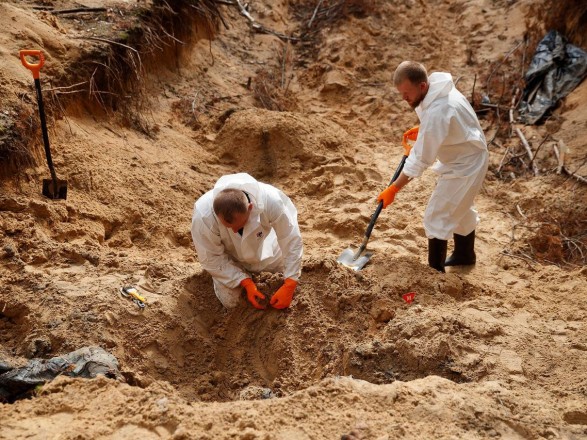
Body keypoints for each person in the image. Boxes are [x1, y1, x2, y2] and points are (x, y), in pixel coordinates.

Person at [377, 61, 489, 273]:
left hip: (466, 164)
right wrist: (424, 129)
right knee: (460, 208)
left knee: (436, 215)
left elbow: (421, 160)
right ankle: (465, 255)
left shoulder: (438, 109)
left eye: (407, 93)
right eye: (401, 94)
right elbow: (449, 122)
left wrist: (394, 188)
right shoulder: (437, 89)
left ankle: (434, 273)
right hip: (463, 155)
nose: (404, 99)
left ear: (421, 86)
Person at [191, 173, 303, 309]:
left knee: (294, 289)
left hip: (268, 252)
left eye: (238, 225)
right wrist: (244, 282)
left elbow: (291, 239)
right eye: (228, 227)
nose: (233, 231)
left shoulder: (272, 201)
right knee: (233, 303)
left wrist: (290, 283)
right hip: (231, 260)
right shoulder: (203, 216)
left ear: (250, 207)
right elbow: (211, 257)